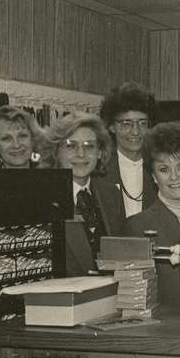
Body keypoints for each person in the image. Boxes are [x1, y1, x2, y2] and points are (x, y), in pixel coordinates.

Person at [122, 122, 180, 309]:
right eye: (164, 169)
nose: (174, 177)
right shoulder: (137, 227)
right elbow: (135, 300)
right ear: (153, 176)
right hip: (165, 330)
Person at [41, 112, 123, 276]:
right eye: (71, 145)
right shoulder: (42, 198)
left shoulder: (111, 194)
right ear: (56, 151)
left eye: (89, 146)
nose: (81, 154)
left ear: (100, 152)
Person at [100, 81, 158, 218]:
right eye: (126, 124)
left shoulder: (160, 166)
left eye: (142, 123)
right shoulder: (100, 170)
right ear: (111, 126)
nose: (136, 132)